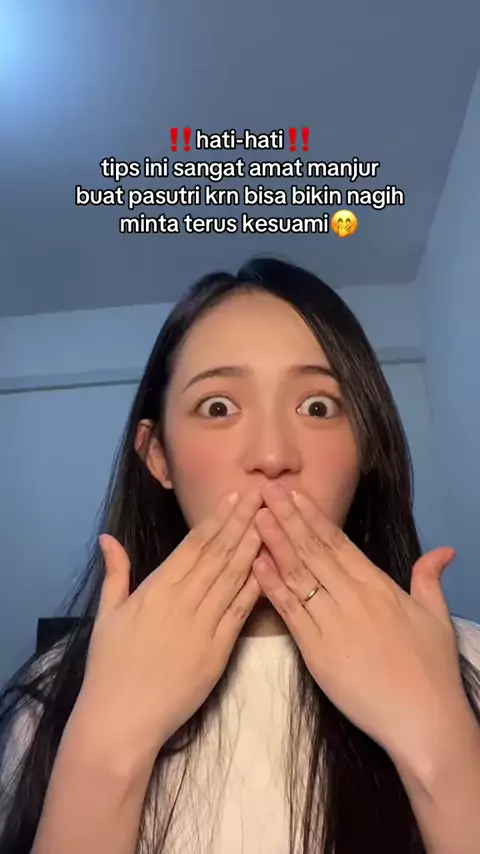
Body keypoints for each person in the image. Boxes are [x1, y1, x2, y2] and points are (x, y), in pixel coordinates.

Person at [0, 256, 479, 854]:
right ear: (158, 457)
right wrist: (105, 751)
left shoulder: (467, 663)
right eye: (218, 407)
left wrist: (441, 747)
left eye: (318, 407)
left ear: (366, 449)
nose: (273, 456)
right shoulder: (55, 693)